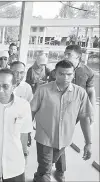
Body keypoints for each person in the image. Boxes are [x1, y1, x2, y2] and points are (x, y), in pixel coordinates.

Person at [31, 60, 93, 182]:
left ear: (73, 74)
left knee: (49, 164)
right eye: (61, 74)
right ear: (55, 73)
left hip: (64, 139)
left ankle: (39, 175)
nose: (65, 77)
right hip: (45, 137)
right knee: (45, 169)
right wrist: (26, 132)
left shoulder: (80, 93)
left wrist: (88, 143)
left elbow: (84, 118)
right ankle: (42, 176)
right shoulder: (43, 90)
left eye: (69, 74)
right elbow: (31, 111)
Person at [48, 44, 96, 182]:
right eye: (65, 53)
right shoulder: (56, 71)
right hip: (57, 108)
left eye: (68, 54)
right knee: (58, 138)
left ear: (78, 57)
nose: (65, 56)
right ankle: (57, 169)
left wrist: (91, 110)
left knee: (62, 137)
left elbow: (91, 91)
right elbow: (50, 89)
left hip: (76, 111)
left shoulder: (88, 72)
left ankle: (51, 168)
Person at [10, 61, 34, 163]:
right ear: (10, 71)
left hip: (20, 125)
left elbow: (29, 109)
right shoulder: (2, 84)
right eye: (15, 72)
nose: (18, 75)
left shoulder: (27, 88)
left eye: (21, 72)